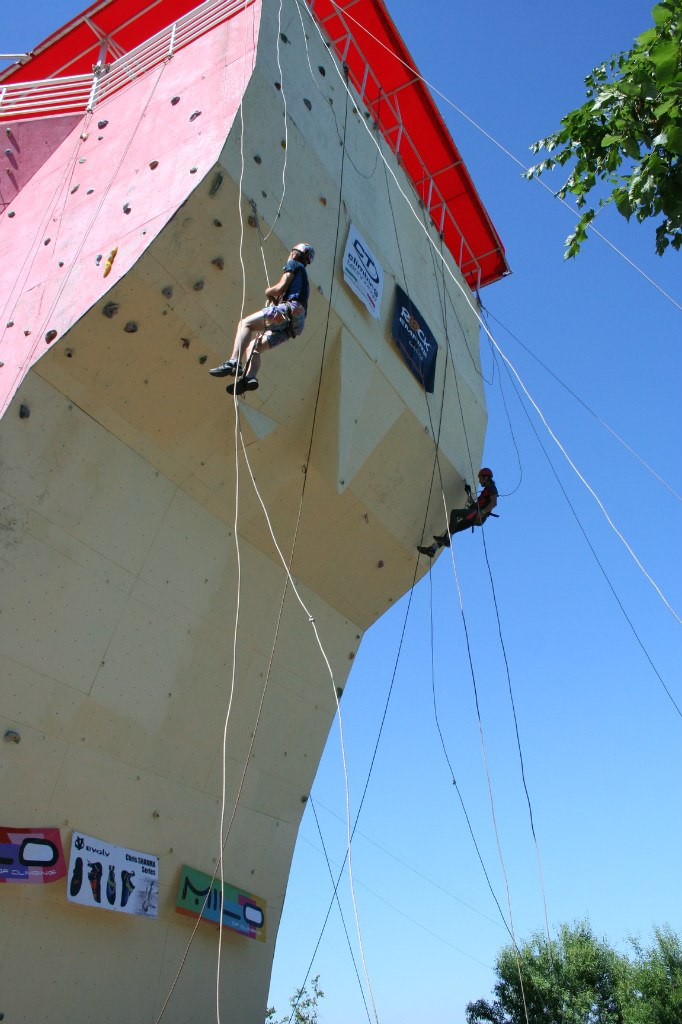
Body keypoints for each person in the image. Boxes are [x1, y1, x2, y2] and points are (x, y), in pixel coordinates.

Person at [209, 243, 315, 394]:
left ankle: (234, 361)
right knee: (254, 347)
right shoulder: (303, 276)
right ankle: (249, 378)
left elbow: (281, 287)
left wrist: (269, 291)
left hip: (291, 309)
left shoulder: (294, 264)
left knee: (245, 324)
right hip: (296, 323)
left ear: (295, 253)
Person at [418, 468, 498, 557]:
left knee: (455, 513)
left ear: (486, 477)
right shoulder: (486, 490)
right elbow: (473, 504)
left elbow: (494, 503)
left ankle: (447, 540)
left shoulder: (491, 488)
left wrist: (482, 512)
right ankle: (433, 549)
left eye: (480, 478)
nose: (479, 481)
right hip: (476, 515)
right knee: (453, 529)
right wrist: (468, 493)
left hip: (478, 514)